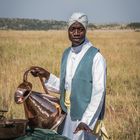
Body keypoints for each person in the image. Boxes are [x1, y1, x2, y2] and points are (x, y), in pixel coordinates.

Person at [31, 12, 108, 140]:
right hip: (66, 117)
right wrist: (46, 75)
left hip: (85, 119)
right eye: (73, 29)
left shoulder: (96, 57)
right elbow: (66, 86)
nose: (76, 33)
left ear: (85, 30)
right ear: (68, 30)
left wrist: (86, 121)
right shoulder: (66, 53)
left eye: (80, 29)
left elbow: (99, 92)